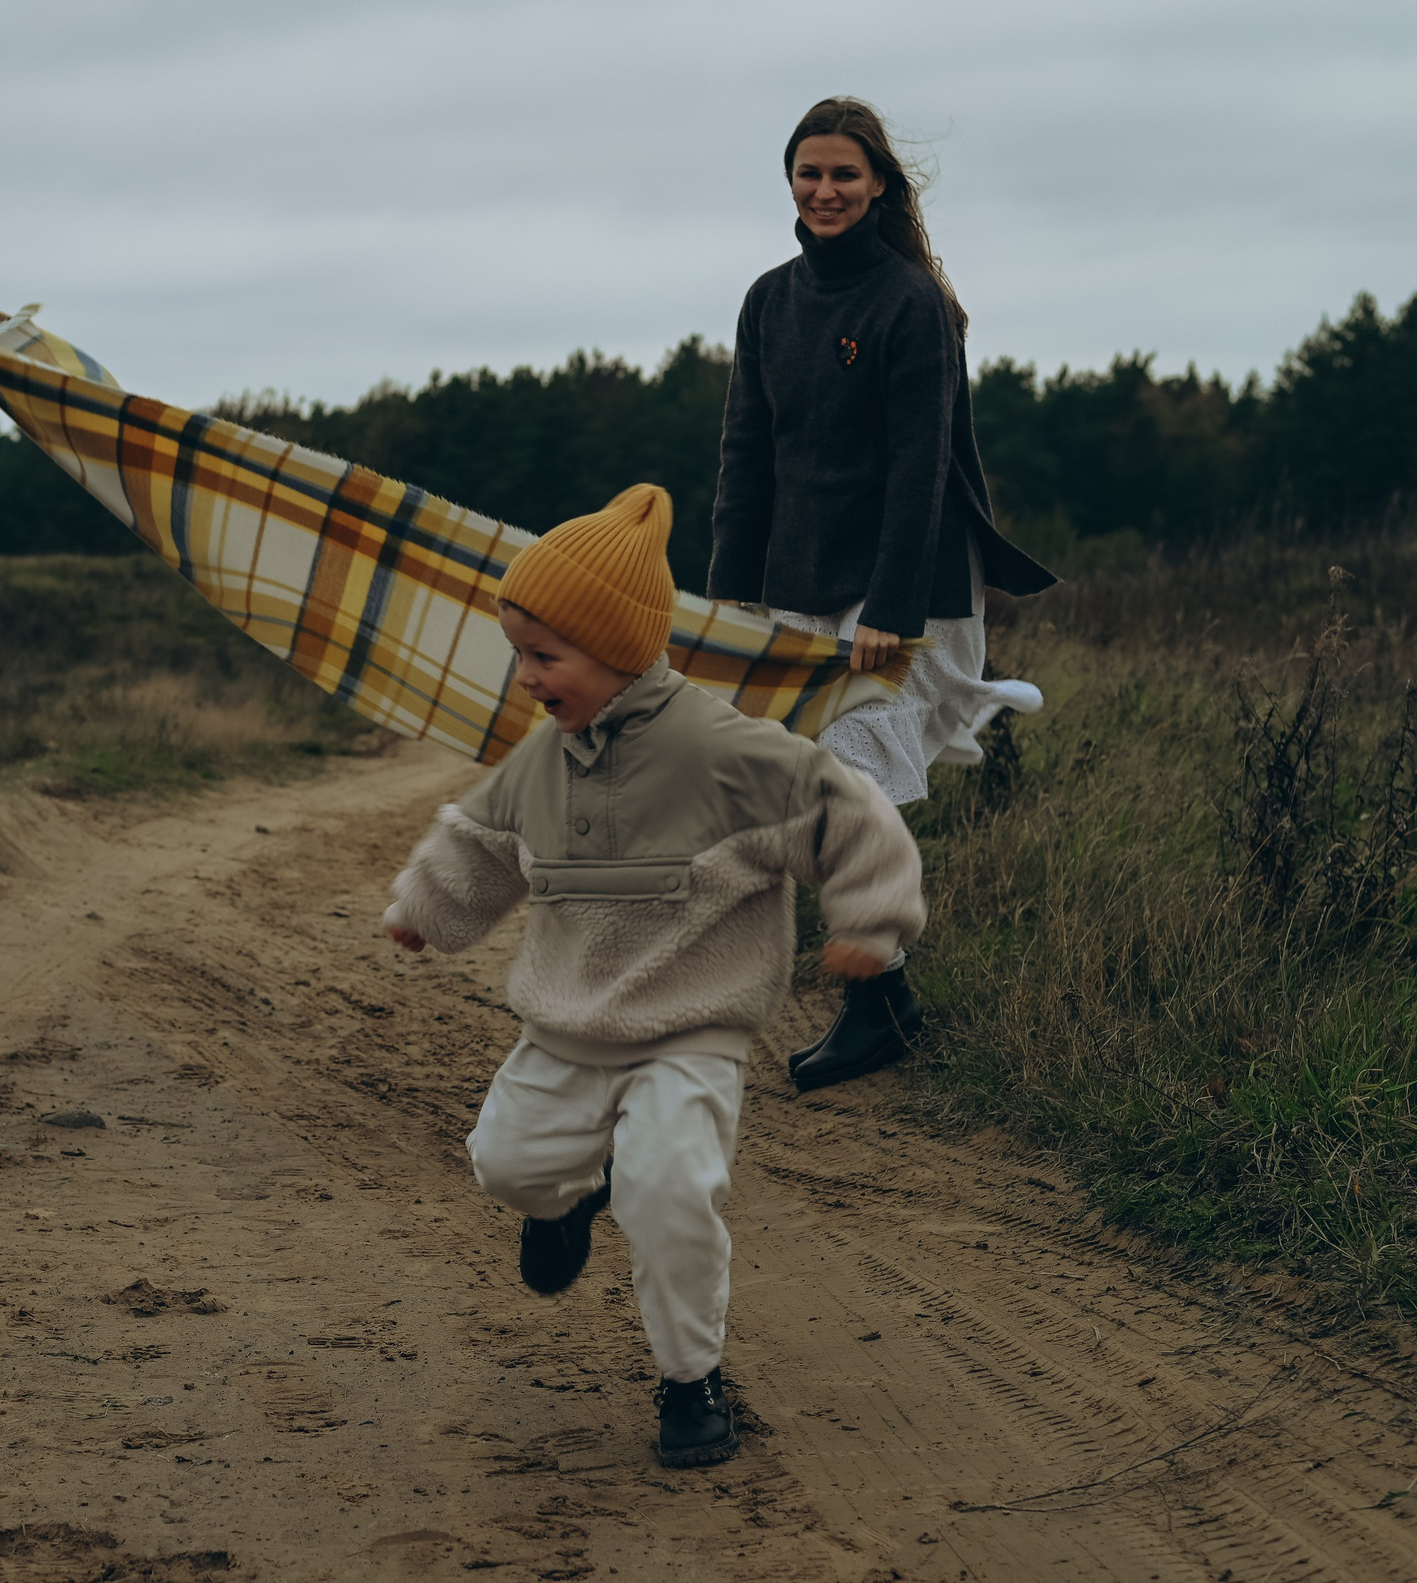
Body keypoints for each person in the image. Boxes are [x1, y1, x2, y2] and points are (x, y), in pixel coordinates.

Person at [382, 485, 926, 1467]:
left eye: (544, 656)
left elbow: (850, 813)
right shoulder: (545, 760)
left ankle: (689, 1379)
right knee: (504, 1161)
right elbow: (479, 837)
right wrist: (425, 910)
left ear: (621, 647)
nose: (524, 679)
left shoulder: (723, 753)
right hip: (566, 1024)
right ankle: (563, 1200)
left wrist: (870, 924)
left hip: (692, 1026)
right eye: (519, 653)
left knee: (669, 1186)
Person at [707, 95, 1057, 1094]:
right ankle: (879, 995)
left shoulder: (910, 303)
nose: (824, 191)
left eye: (843, 176)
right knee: (796, 787)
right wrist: (730, 600)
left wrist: (890, 611)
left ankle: (877, 999)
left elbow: (919, 467)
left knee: (849, 779)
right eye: (809, 174)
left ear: (878, 188)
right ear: (791, 182)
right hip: (798, 581)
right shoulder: (768, 301)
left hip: (905, 585)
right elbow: (745, 457)